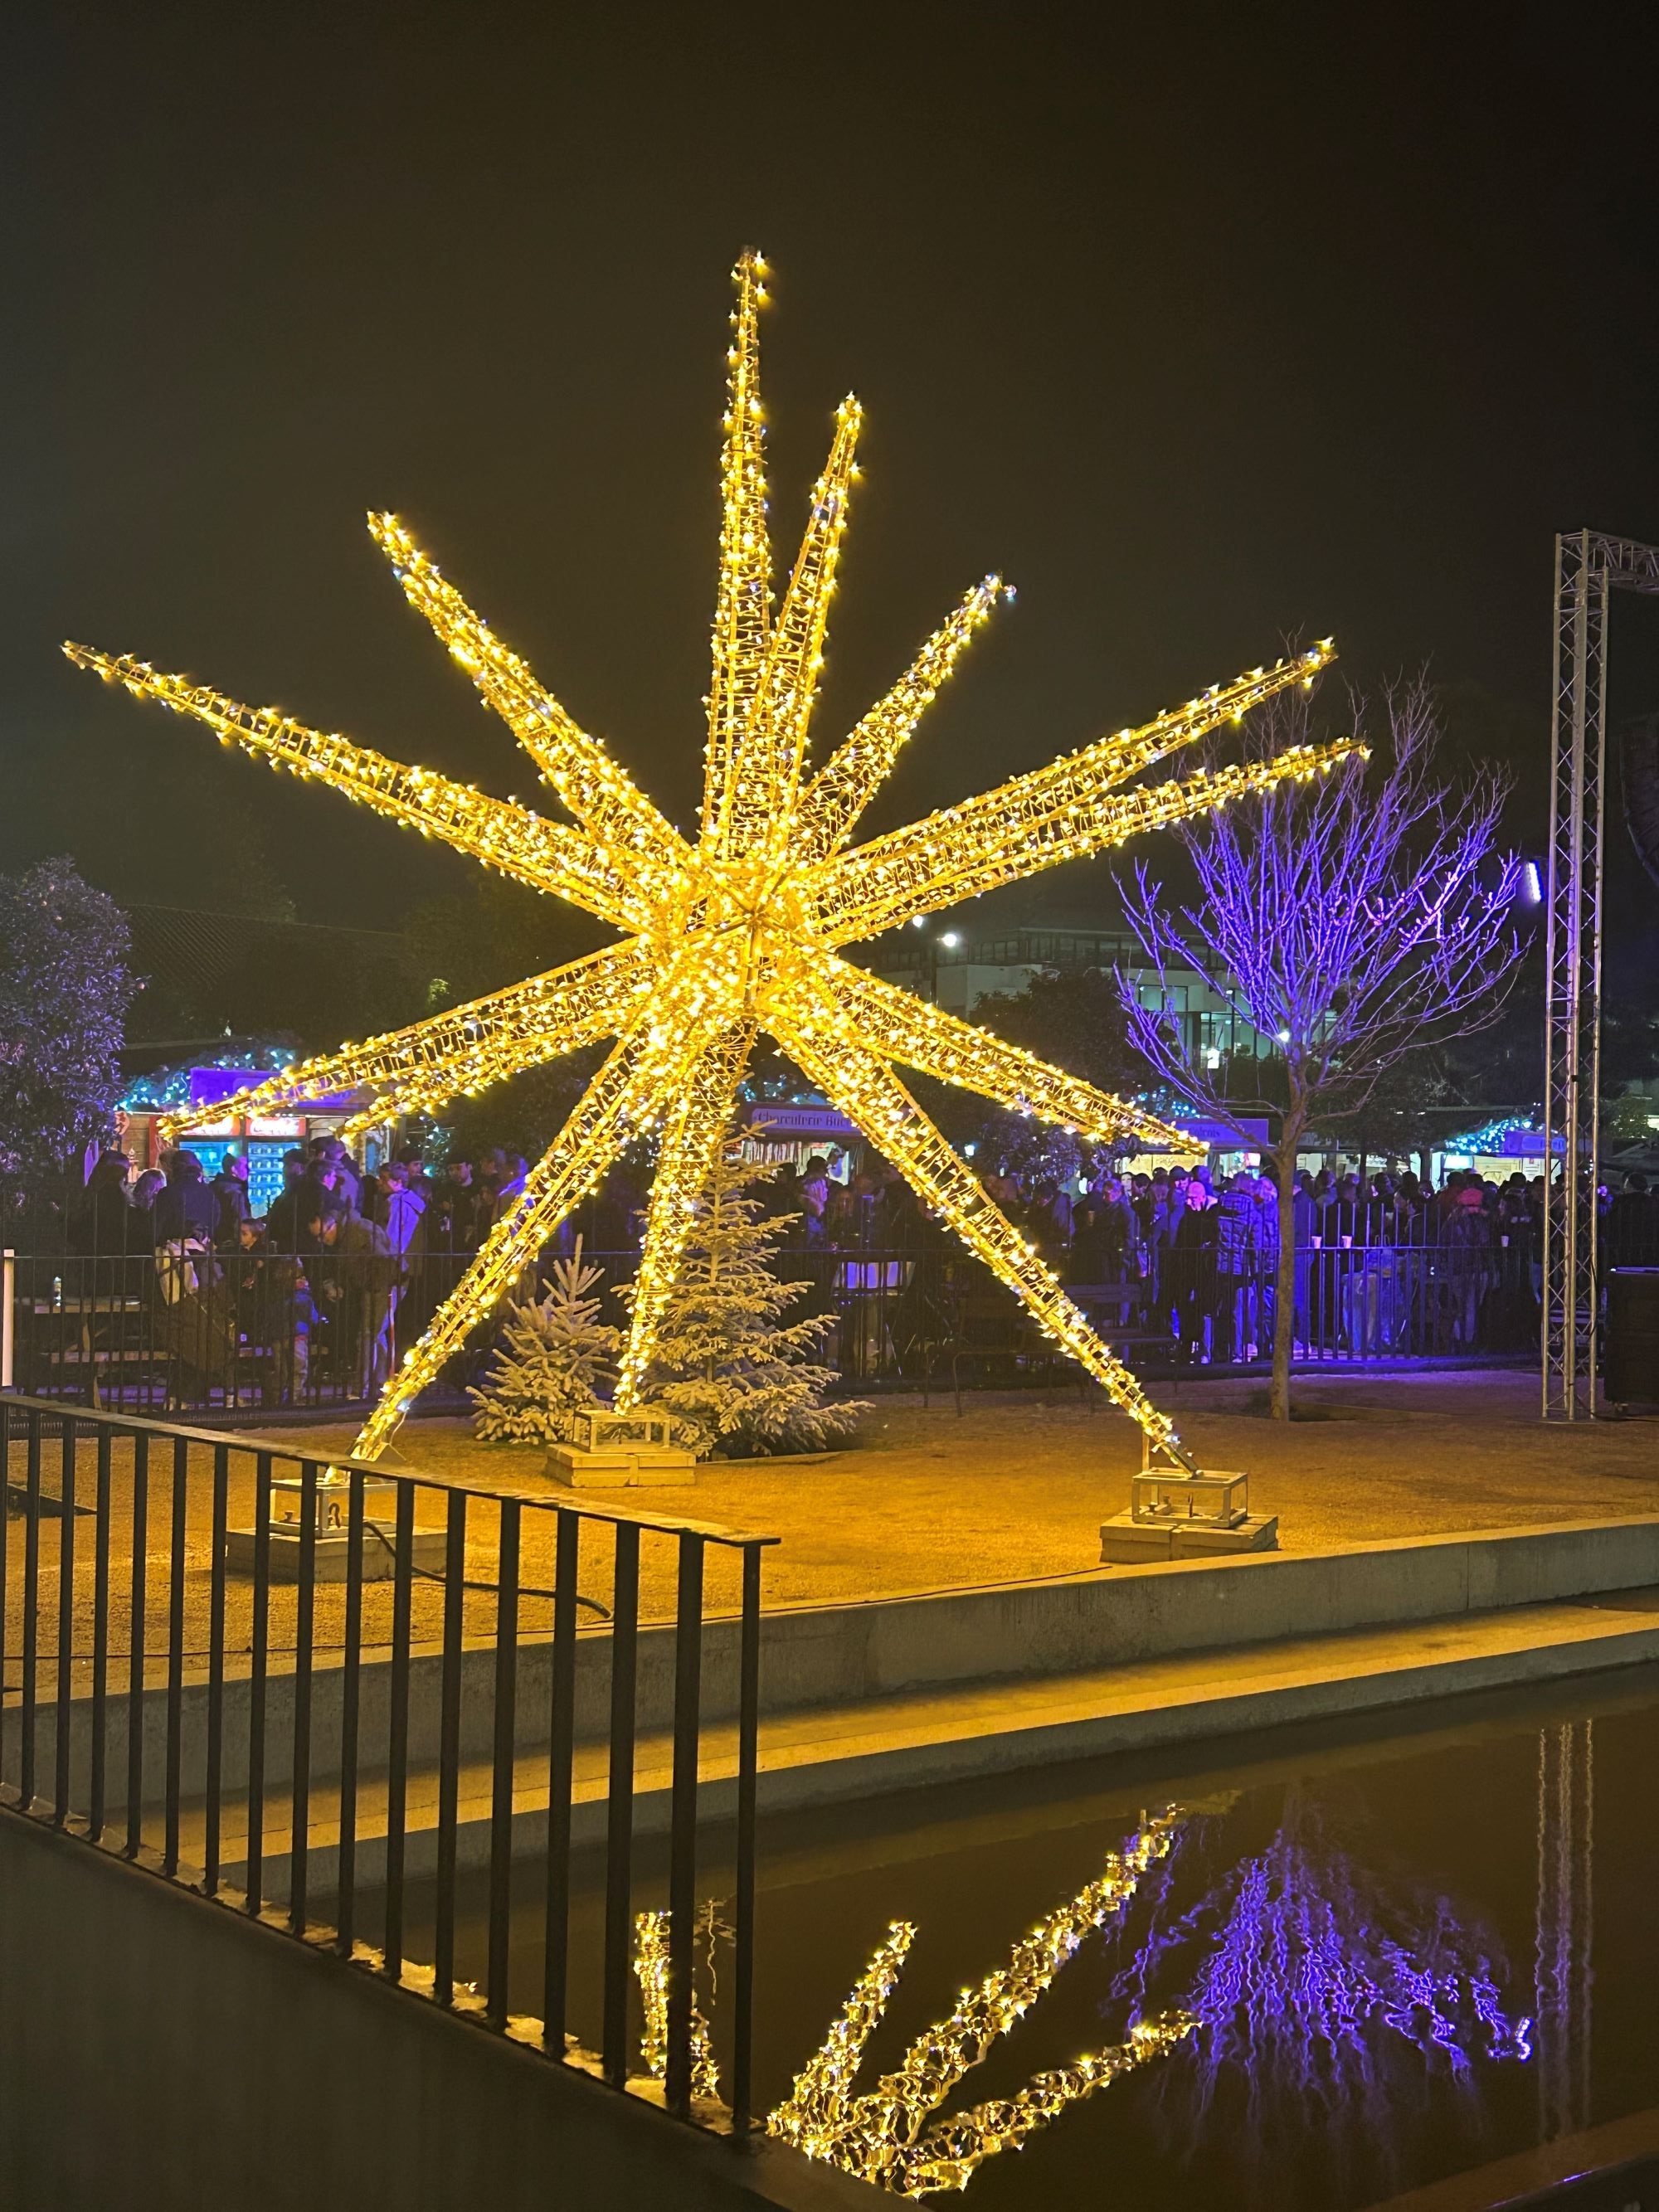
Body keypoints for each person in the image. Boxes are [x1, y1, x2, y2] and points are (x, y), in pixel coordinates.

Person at [209, 1150, 251, 1247]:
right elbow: (241, 1220)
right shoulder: (235, 1191)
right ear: (233, 1169)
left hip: (216, 1241)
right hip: (231, 1243)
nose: (248, 1170)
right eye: (244, 1166)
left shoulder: (214, 1187)